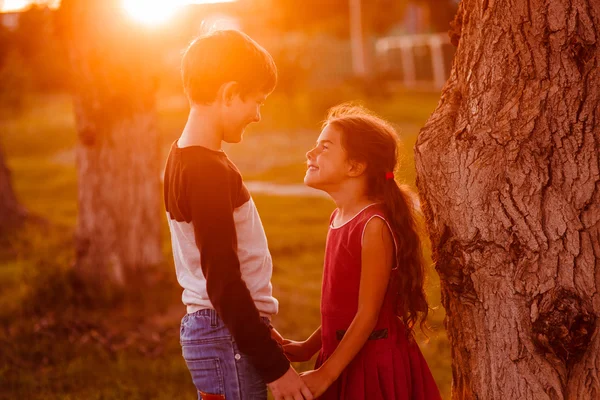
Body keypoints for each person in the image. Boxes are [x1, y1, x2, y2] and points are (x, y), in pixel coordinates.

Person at [163, 29, 313, 400]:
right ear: (229, 94)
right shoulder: (208, 171)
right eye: (257, 101)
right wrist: (275, 369)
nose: (258, 115)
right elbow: (223, 280)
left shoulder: (182, 157)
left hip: (220, 332)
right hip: (223, 335)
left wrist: (257, 330)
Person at [284, 104, 442, 399]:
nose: (311, 153)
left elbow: (368, 314)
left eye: (325, 147)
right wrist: (308, 347)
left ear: (355, 166)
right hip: (344, 354)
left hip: (372, 363)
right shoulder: (338, 218)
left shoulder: (373, 226)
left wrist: (326, 374)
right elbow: (346, 307)